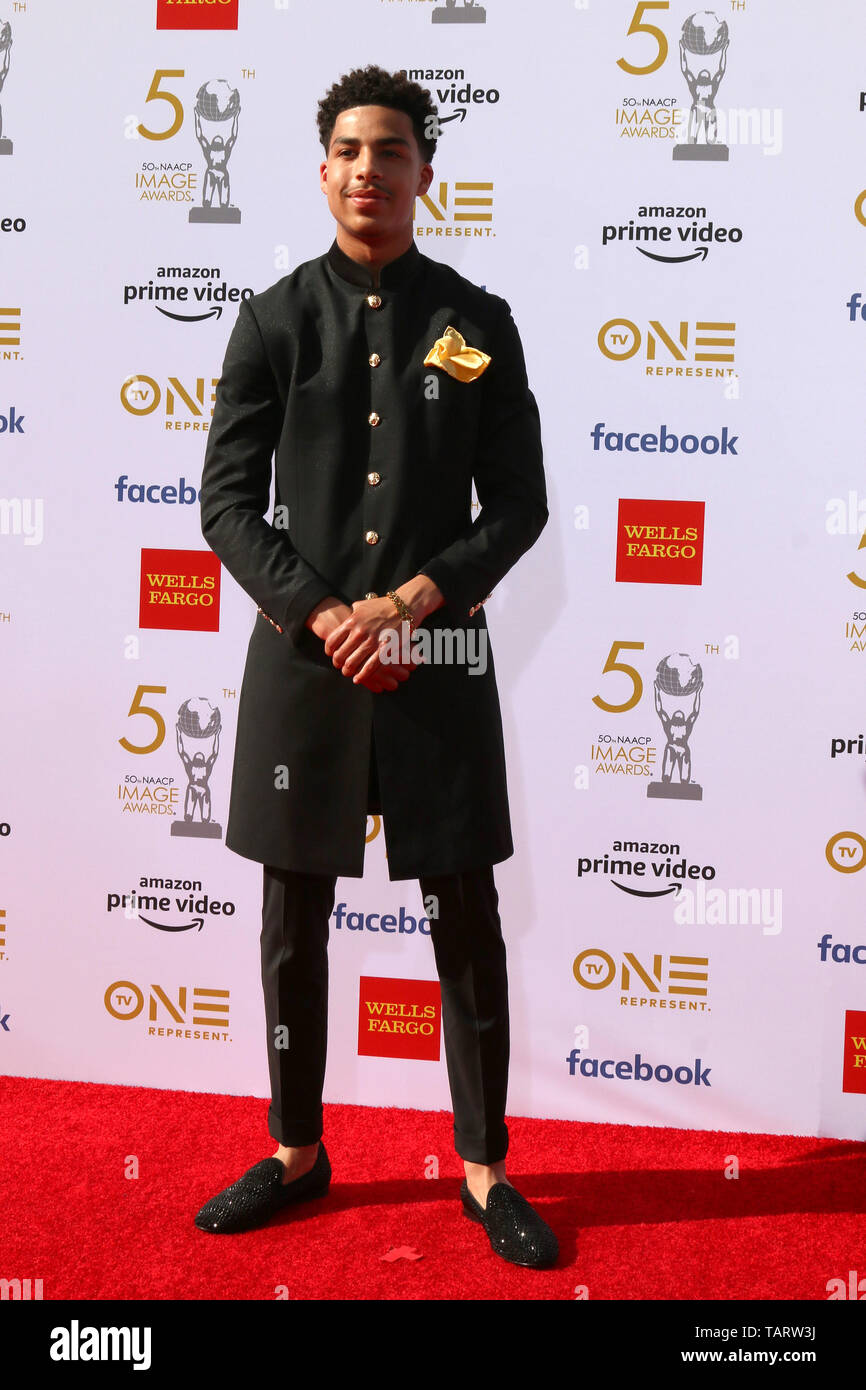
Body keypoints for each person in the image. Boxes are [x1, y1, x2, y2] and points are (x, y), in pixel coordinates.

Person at [195, 65, 555, 1269]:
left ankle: (483, 1163)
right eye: (347, 150)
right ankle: (297, 1149)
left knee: (467, 916)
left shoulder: (476, 322)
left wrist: (409, 600)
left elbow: (518, 507)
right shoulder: (270, 320)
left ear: (423, 174)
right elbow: (226, 506)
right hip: (306, 665)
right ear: (322, 171)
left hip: (438, 653)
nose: (367, 170)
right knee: (293, 921)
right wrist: (324, 615)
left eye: (390, 151)